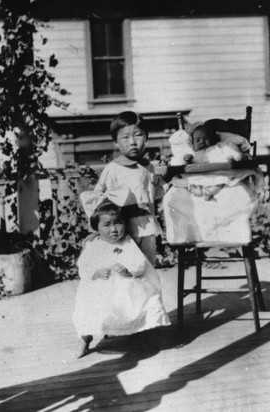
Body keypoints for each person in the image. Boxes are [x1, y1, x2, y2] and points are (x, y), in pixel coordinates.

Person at [73, 199, 170, 358]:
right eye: (107, 225)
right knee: (89, 305)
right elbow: (84, 266)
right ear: (96, 227)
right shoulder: (94, 244)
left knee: (145, 300)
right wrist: (95, 273)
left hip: (126, 286)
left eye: (118, 223)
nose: (114, 230)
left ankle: (143, 332)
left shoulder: (127, 242)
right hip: (100, 288)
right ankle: (84, 338)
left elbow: (139, 262)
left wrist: (128, 270)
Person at [80, 111, 165, 266]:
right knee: (126, 266)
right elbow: (96, 199)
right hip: (124, 229)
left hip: (147, 226)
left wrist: (164, 180)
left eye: (138, 135)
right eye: (125, 137)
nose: (132, 142)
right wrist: (97, 229)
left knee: (147, 267)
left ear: (146, 137)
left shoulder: (149, 167)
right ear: (116, 142)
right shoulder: (113, 169)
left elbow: (154, 195)